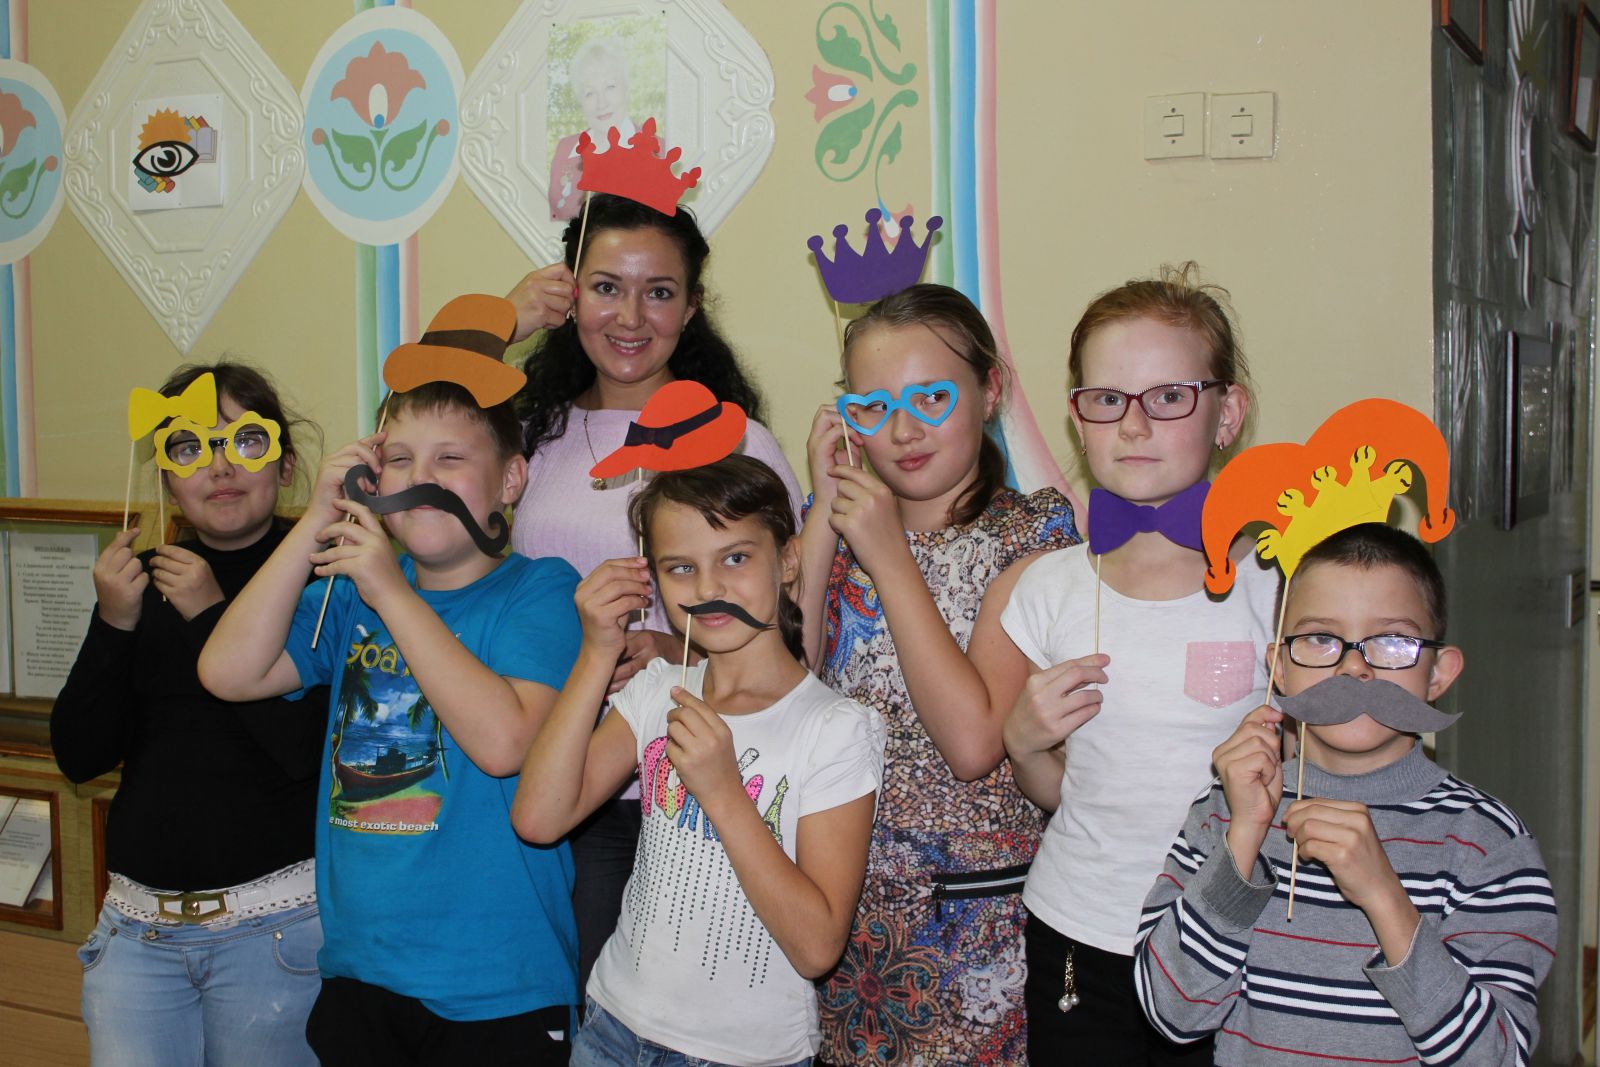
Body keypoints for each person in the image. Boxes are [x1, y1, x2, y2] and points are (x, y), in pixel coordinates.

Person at [198, 373, 582, 1065]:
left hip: (498, 986)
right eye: (399, 459)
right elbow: (227, 671)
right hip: (360, 974)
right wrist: (314, 521)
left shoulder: (542, 590)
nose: (421, 479)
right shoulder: (350, 596)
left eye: (450, 457)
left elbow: (505, 744)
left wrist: (391, 592)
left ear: (511, 479)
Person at [507, 191, 803, 995]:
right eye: (606, 287)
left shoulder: (738, 443)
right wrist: (501, 323)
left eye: (659, 291)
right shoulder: (532, 435)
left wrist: (683, 648)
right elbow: (412, 450)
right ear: (569, 293)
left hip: (682, 791)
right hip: (546, 777)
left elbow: (795, 619)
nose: (631, 317)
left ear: (692, 307)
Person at [1134, 522, 1557, 1064]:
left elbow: (1497, 1056)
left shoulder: (1487, 842)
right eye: (1319, 638)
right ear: (1279, 669)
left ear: (1438, 674)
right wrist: (1243, 840)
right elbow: (1172, 1014)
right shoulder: (1224, 810)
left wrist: (1385, 899)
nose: (1354, 666)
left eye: (1393, 642)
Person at [513, 454, 884, 1067]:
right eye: (681, 567)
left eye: (735, 558)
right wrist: (596, 653)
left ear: (788, 560)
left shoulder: (836, 728)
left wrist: (723, 791)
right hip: (611, 1026)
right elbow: (538, 818)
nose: (708, 588)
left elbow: (817, 947)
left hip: (741, 1054)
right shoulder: (658, 689)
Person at [798, 284, 1079, 1065]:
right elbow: (790, 694)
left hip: (971, 935)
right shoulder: (846, 526)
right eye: (873, 406)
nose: (903, 430)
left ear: (991, 390)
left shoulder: (1031, 532)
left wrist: (888, 555)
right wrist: (821, 518)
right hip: (843, 917)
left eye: (931, 397)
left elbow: (972, 743)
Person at [999, 263, 1272, 1064]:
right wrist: (1022, 741)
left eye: (1169, 396)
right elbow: (1069, 791)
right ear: (1077, 416)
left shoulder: (1278, 585)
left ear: (1227, 413)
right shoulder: (1049, 588)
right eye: (1107, 399)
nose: (1134, 424)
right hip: (1079, 936)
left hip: (1232, 940)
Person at [54, 361, 325, 1067]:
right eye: (189, 447)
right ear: (168, 479)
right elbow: (79, 755)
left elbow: (307, 752)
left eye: (246, 441)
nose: (219, 466)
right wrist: (114, 623)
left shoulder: (326, 579)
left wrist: (211, 617)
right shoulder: (139, 582)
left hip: (276, 931)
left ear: (285, 465)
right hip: (136, 935)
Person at [549, 38, 634, 221]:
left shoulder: (658, 148)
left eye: (610, 87)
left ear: (626, 89)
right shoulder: (565, 149)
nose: (601, 103)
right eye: (590, 93)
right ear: (580, 100)